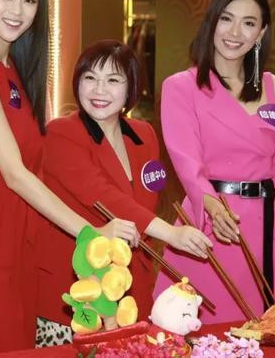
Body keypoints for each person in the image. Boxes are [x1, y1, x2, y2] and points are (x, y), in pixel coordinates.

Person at [0, 0, 138, 356]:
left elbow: (36, 163)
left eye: (29, 1)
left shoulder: (14, 68)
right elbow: (14, 173)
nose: (18, 10)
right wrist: (90, 233)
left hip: (18, 234)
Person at [36, 39, 212, 345]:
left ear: (131, 87)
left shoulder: (143, 134)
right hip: (78, 286)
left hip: (132, 285)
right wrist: (171, 234)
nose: (99, 90)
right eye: (90, 78)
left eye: (113, 80)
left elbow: (147, 199)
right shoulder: (62, 132)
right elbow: (103, 195)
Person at [153, 0, 275, 323]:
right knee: (204, 333)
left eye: (248, 23)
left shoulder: (273, 87)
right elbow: (187, 163)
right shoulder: (181, 87)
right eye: (227, 19)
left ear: (261, 33)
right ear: (212, 22)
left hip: (269, 226)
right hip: (212, 225)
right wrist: (212, 207)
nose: (235, 32)